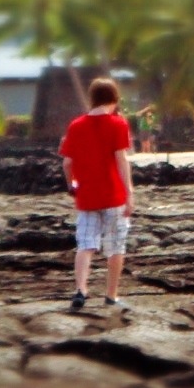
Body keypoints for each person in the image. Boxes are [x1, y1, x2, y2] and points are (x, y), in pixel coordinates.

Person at [60, 77, 134, 313]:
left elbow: (66, 163)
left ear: (92, 98)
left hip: (87, 196)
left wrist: (72, 185)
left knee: (86, 245)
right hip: (113, 195)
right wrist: (130, 193)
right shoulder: (117, 124)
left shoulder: (76, 125)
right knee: (115, 247)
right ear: (114, 98)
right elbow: (121, 160)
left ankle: (81, 290)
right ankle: (111, 296)